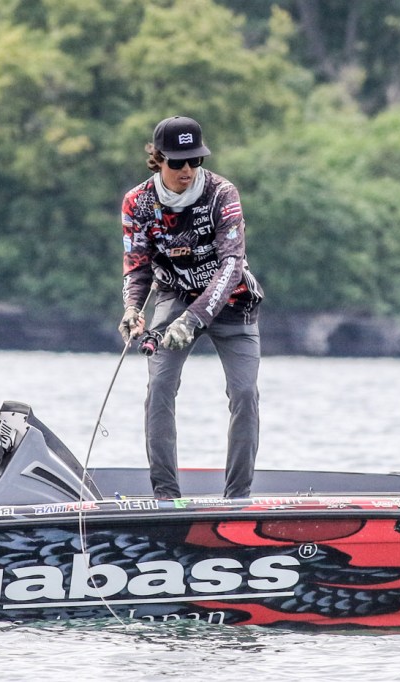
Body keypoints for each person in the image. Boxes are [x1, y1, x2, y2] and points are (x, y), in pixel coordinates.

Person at [117, 116, 263, 500]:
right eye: (178, 162)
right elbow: (137, 265)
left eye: (195, 161)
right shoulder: (137, 202)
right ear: (158, 159)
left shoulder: (221, 194)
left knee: (244, 393)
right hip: (174, 295)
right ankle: (166, 496)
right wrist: (132, 308)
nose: (187, 170)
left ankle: (238, 497)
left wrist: (194, 319)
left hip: (232, 301)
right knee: (159, 388)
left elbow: (232, 264)